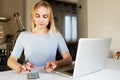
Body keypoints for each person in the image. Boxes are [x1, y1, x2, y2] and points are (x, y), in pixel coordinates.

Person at [7, 0, 72, 73]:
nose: (41, 20)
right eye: (37, 16)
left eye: (45, 16)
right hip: (30, 75)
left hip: (50, 76)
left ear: (49, 18)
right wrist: (18, 66)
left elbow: (68, 59)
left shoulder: (56, 35)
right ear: (33, 18)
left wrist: (56, 63)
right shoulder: (23, 36)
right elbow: (11, 60)